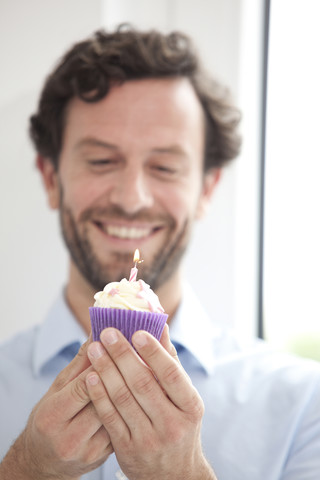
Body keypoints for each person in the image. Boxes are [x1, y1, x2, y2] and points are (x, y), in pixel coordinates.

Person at [0, 25, 320, 480]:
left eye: (165, 166)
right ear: (51, 179)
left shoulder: (304, 407)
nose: (132, 198)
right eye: (101, 161)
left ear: (207, 188)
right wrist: (26, 469)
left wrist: (182, 473)